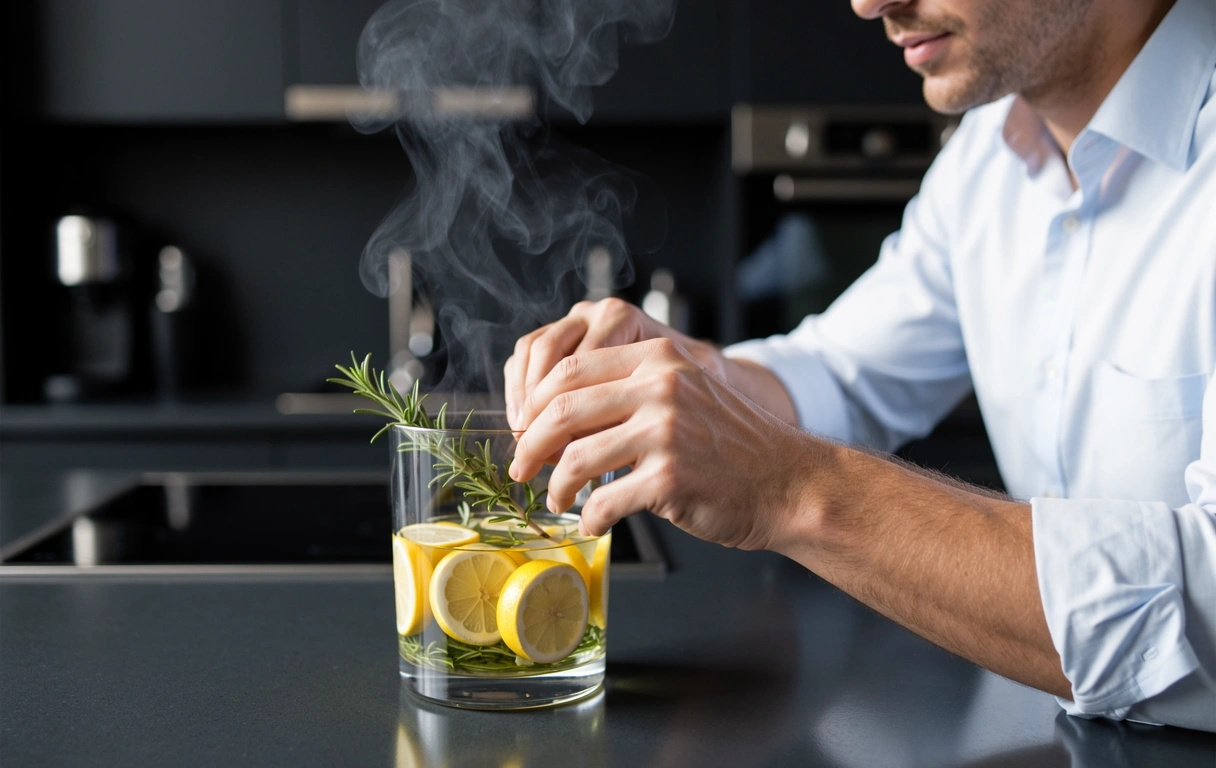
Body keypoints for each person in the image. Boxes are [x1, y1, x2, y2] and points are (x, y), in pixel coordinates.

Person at [503, 0, 1216, 732]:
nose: (869, 3)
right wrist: (677, 374)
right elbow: (843, 373)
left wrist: (792, 490)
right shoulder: (991, 157)